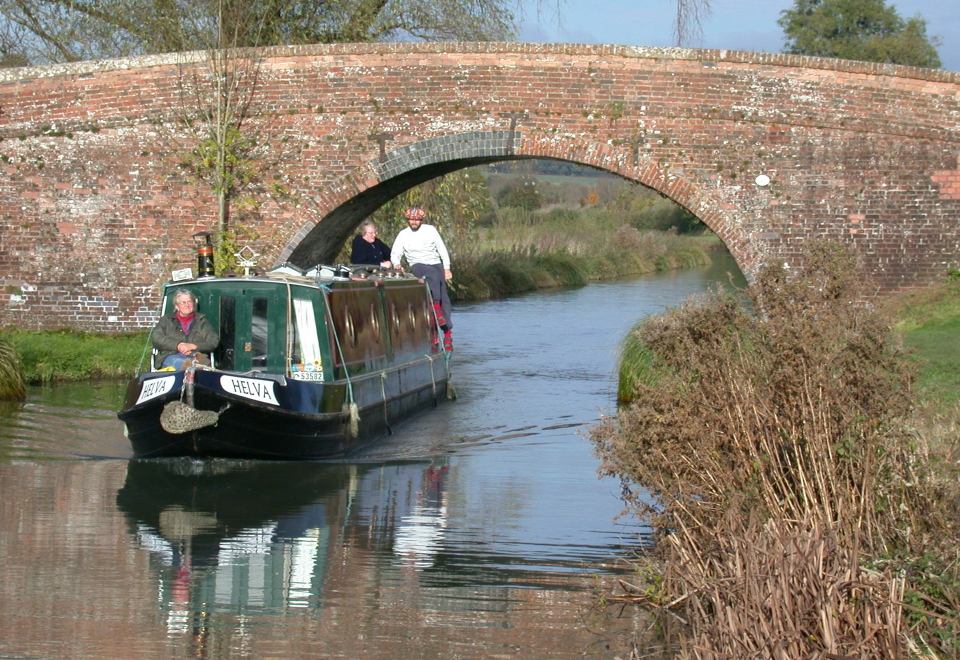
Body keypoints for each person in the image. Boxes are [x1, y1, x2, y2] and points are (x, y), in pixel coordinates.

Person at [390, 207, 454, 351]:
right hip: (417, 264)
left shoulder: (430, 230)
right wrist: (397, 264)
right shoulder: (403, 234)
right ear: (408, 220)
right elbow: (395, 253)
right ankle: (436, 312)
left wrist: (446, 268)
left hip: (435, 263)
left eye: (417, 220)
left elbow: (442, 249)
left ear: (421, 220)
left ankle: (447, 334)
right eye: (411, 220)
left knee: (445, 299)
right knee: (433, 276)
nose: (414, 222)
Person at [152, 289, 219, 370]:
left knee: (200, 364)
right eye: (183, 302)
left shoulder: (202, 321)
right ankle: (191, 369)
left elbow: (213, 341)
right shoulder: (166, 320)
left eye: (189, 302)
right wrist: (178, 345)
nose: (187, 305)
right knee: (184, 364)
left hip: (195, 356)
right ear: (177, 306)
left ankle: (193, 370)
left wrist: (193, 346)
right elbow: (156, 338)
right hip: (171, 355)